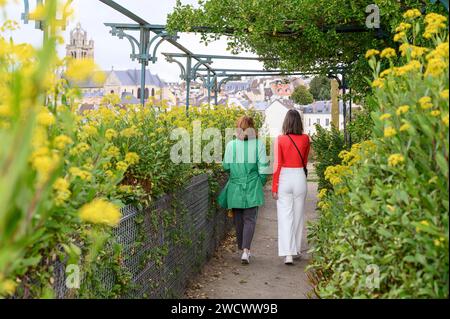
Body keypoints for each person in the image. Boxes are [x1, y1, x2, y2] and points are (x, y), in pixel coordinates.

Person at [218, 116, 270, 264]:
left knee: (238, 219)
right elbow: (263, 167)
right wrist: (260, 182)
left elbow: (226, 166)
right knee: (250, 219)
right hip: (252, 184)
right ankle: (246, 251)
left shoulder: (231, 145)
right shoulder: (258, 145)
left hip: (235, 186)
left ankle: (242, 248)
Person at [272, 109, 310, 265]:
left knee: (285, 216)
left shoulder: (280, 139)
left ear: (286, 122)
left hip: (285, 177)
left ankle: (288, 253)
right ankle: (296, 250)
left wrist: (275, 186)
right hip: (300, 176)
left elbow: (277, 164)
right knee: (298, 216)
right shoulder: (306, 139)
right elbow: (305, 161)